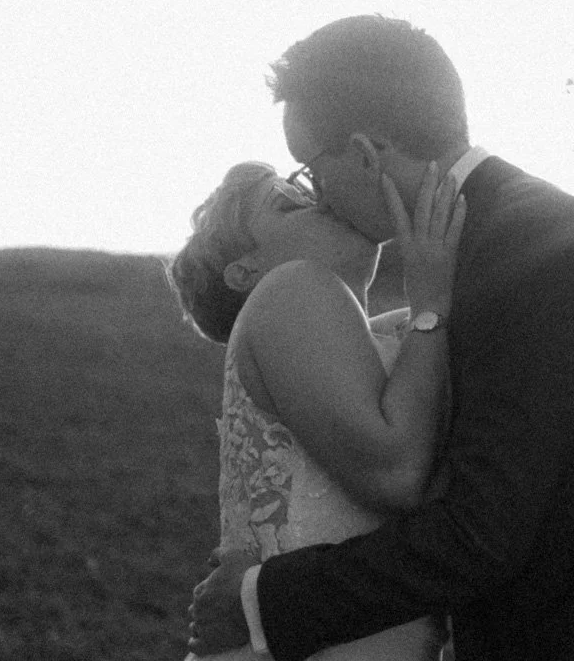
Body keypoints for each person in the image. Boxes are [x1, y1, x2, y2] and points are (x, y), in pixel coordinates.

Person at [188, 15, 574, 661]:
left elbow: (482, 533)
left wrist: (263, 600)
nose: (317, 196)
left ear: (366, 153)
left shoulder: (526, 247)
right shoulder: (506, 232)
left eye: (312, 169)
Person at [168, 158, 465, 660]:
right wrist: (431, 301)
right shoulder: (289, 287)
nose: (322, 201)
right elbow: (396, 475)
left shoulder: (391, 334)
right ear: (246, 271)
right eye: (288, 203)